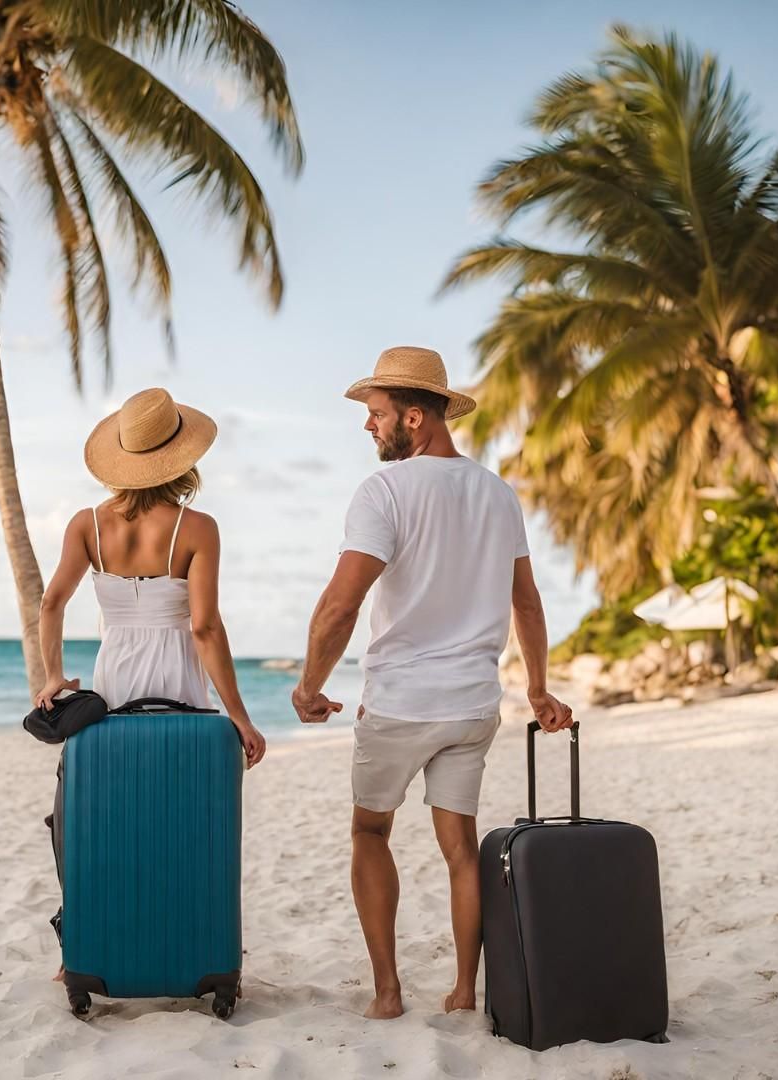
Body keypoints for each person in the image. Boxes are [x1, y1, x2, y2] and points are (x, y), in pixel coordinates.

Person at [292, 346, 573, 1020]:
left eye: (377, 414)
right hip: (474, 704)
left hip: (400, 703)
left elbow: (340, 605)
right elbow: (527, 603)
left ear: (415, 418)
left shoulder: (384, 492)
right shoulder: (496, 493)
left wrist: (309, 686)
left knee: (369, 833)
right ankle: (463, 991)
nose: (368, 427)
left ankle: (388, 993)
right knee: (459, 848)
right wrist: (537, 687)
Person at [35, 387, 266, 768]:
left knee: (125, 778)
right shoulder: (199, 528)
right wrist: (238, 716)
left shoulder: (86, 524)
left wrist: (53, 676)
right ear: (182, 458)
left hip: (115, 666)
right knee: (178, 779)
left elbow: (51, 603)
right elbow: (205, 628)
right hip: (177, 667)